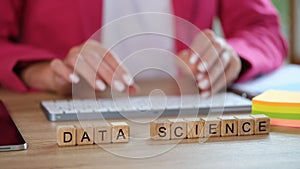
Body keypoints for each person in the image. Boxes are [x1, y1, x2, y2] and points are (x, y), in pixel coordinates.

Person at [0, 0, 288, 97]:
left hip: (187, 131)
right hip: (60, 126)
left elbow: (263, 29)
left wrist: (232, 56)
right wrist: (36, 71)